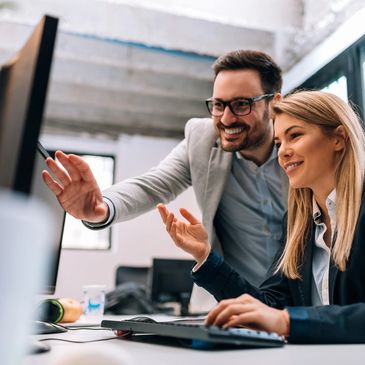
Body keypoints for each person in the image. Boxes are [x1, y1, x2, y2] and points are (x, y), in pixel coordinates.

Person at [42, 49, 287, 293]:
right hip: (233, 302)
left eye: (242, 104)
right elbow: (154, 184)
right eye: (218, 105)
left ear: (275, 103)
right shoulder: (201, 139)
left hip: (303, 304)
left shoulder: (303, 148)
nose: (226, 118)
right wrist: (102, 208)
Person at [157, 90, 365, 343]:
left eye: (295, 136)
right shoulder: (299, 224)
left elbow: (281, 318)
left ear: (339, 139)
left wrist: (288, 322)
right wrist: (205, 257)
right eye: (279, 143)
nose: (283, 152)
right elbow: (268, 306)